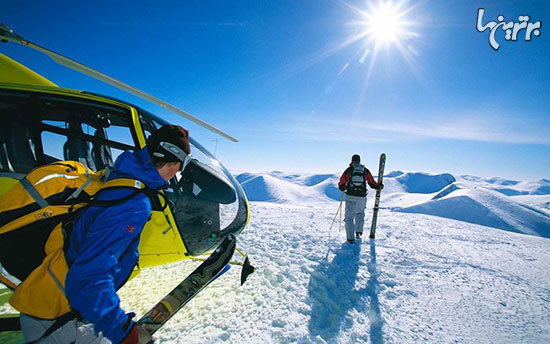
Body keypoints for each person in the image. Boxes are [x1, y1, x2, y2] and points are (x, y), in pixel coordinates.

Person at [19, 124, 191, 344]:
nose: (178, 172)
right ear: (174, 162)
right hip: (57, 315)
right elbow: (89, 278)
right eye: (181, 165)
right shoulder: (133, 204)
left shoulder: (121, 177)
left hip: (59, 304)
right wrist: (124, 332)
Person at [338, 154, 383, 243]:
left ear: (352, 161)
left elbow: (341, 184)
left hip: (351, 196)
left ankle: (350, 238)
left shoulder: (349, 170)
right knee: (360, 213)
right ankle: (358, 232)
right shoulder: (365, 170)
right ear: (359, 161)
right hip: (362, 197)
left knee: (349, 218)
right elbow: (372, 183)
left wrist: (343, 188)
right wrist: (379, 186)